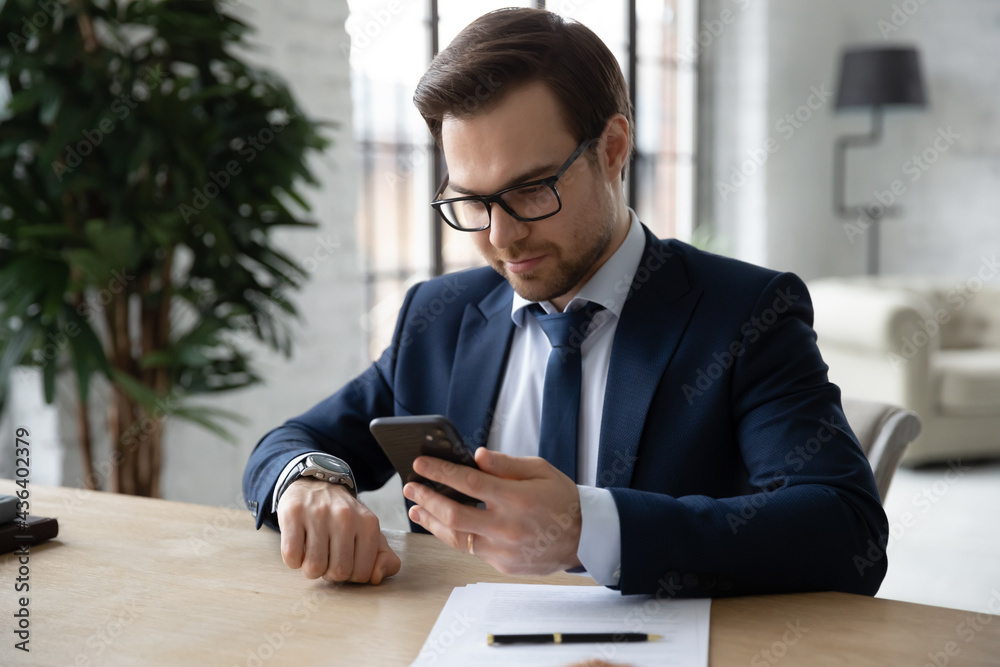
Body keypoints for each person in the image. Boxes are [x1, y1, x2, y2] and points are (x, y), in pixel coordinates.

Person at [242, 7, 889, 597]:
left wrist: (590, 526)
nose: (500, 238)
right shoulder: (437, 317)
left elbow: (846, 527)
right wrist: (308, 482)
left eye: (529, 190)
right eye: (472, 200)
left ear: (612, 149)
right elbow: (294, 440)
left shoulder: (746, 313)